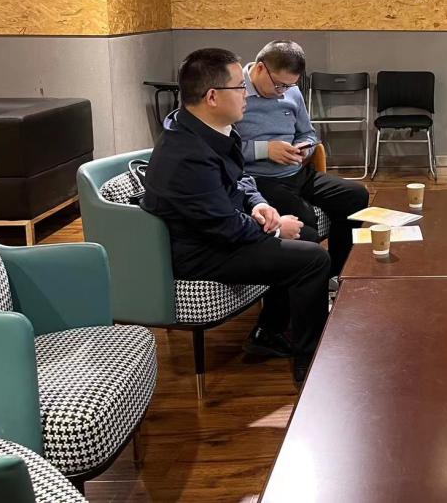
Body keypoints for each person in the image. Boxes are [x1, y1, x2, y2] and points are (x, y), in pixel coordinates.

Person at [140, 48, 330, 384]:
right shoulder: (187, 155)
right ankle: (309, 358)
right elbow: (222, 227)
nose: (246, 94)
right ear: (212, 96)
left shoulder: (209, 128)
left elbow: (240, 178)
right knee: (312, 258)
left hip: (216, 234)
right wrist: (276, 230)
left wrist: (258, 205)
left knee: (305, 241)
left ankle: (270, 332)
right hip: (200, 253)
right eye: (239, 87)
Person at [234, 40, 369, 280]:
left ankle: (337, 275)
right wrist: (264, 150)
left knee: (355, 195)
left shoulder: (292, 91)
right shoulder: (234, 91)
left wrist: (304, 149)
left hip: (297, 172)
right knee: (304, 220)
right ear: (261, 68)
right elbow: (221, 149)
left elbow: (308, 134)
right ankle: (310, 278)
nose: (283, 92)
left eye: (289, 86)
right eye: (279, 85)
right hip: (258, 179)